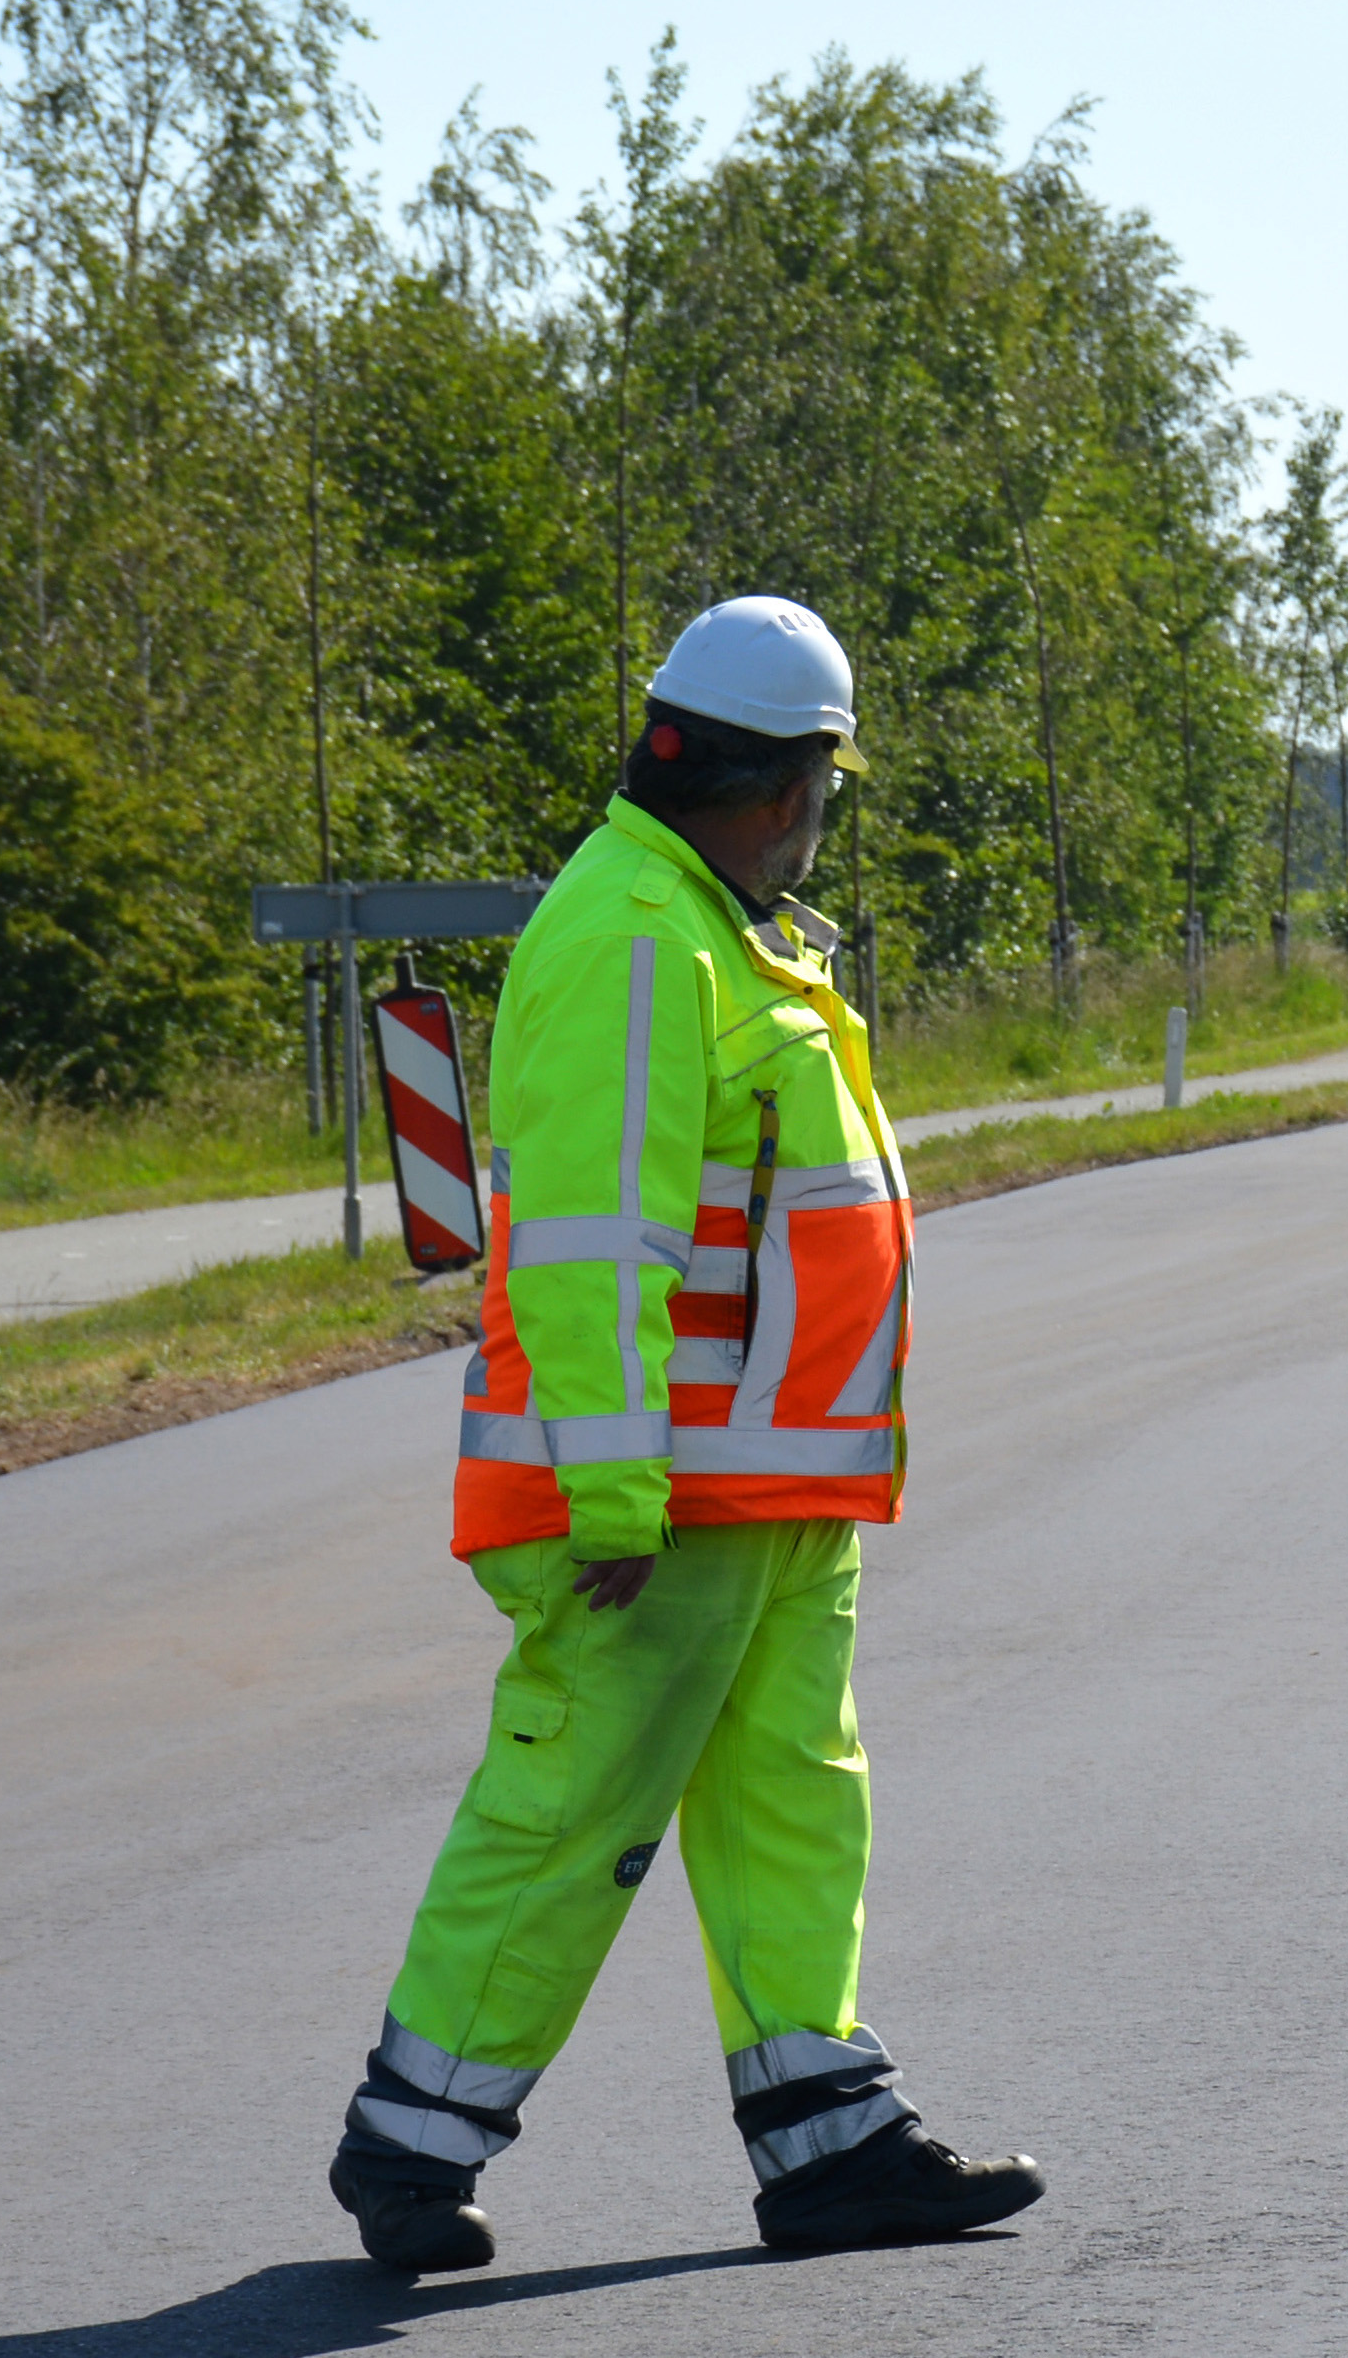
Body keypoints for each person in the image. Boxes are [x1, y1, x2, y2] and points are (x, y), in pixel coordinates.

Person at [327, 595, 1045, 2272]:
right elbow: (594, 1237)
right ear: (793, 786)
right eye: (825, 794)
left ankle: (830, 2139)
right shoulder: (640, 932)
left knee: (795, 1796)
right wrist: (612, 1488)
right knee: (575, 1803)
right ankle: (411, 2138)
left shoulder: (719, 930)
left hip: (764, 1488)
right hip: (654, 1497)